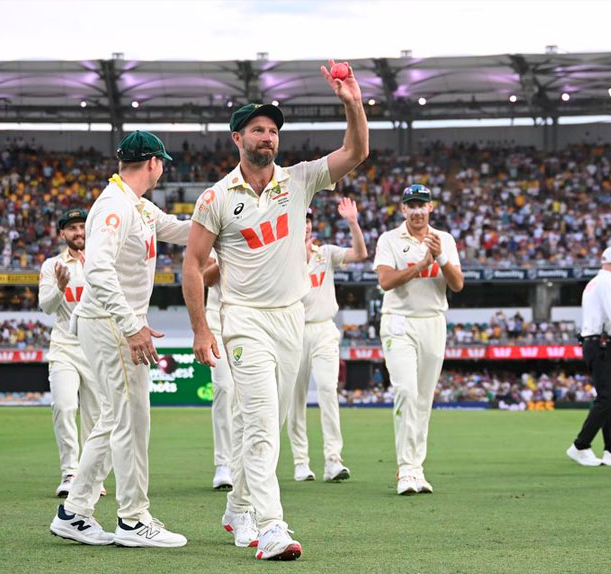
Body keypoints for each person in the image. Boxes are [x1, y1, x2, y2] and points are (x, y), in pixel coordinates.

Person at [182, 59, 369, 560]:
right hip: (243, 321)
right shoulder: (216, 198)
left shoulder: (299, 181)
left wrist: (353, 105)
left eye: (272, 131)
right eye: (257, 130)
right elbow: (194, 266)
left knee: (260, 424)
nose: (267, 137)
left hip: (292, 318)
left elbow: (356, 151)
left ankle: (237, 508)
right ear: (237, 139)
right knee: (263, 423)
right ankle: (271, 527)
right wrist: (201, 329)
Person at [49, 131, 191, 548]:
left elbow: (181, 230)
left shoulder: (137, 205)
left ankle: (74, 512)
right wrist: (132, 325)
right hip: (111, 321)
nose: (162, 168)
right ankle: (132, 518)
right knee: (129, 418)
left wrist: (221, 219)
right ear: (152, 163)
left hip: (111, 319)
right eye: (161, 162)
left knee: (115, 418)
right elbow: (97, 271)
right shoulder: (113, 206)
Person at [373, 184, 464, 495]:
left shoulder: (445, 240)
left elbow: (457, 284)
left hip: (433, 321)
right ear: (403, 210)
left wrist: (440, 258)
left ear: (430, 208)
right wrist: (422, 265)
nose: (416, 210)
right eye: (410, 205)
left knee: (423, 398)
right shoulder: (389, 240)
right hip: (398, 321)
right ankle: (406, 469)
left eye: (421, 205)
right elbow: (385, 281)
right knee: (406, 392)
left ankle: (417, 468)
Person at [287, 199, 367, 483]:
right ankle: (300, 462)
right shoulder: (282, 255)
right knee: (294, 401)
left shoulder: (326, 253)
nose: (305, 226)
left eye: (308, 221)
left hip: (323, 329)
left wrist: (353, 222)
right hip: (293, 330)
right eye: (300, 221)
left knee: (327, 390)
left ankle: (334, 460)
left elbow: (360, 253)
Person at [38, 208, 106, 497]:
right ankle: (70, 473)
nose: (78, 232)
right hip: (64, 347)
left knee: (96, 417)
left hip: (96, 348)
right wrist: (60, 288)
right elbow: (46, 306)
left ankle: (92, 477)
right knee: (65, 406)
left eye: (82, 227)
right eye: (72, 228)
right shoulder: (52, 265)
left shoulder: (103, 259)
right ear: (63, 233)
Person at [567, 246, 611, 467]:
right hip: (602, 344)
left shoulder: (594, 282)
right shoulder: (608, 282)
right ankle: (580, 446)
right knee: (608, 398)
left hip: (597, 343)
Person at [204, 251, 235, 491]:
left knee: (255, 396)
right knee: (224, 388)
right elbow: (206, 277)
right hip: (217, 322)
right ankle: (224, 463)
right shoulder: (215, 239)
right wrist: (232, 254)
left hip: (253, 319)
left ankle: (252, 463)